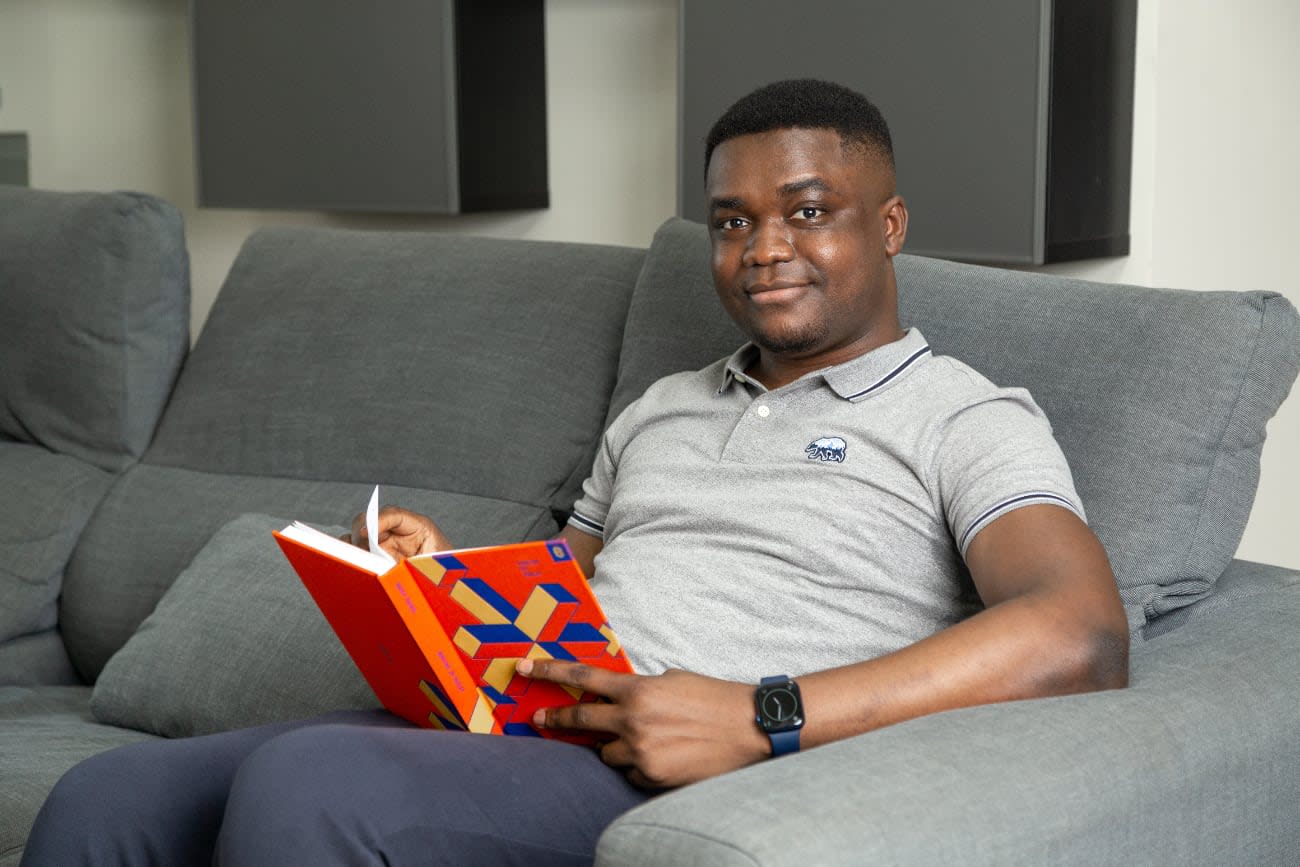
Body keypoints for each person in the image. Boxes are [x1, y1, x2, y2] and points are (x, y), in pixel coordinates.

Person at [21, 79, 1128, 866]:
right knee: (107, 797)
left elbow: (1080, 632)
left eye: (807, 212)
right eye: (732, 220)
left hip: (687, 759)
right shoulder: (666, 408)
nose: (762, 248)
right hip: (517, 720)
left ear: (886, 227)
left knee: (310, 787)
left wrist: (764, 715)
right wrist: (443, 577)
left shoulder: (962, 416)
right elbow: (561, 594)